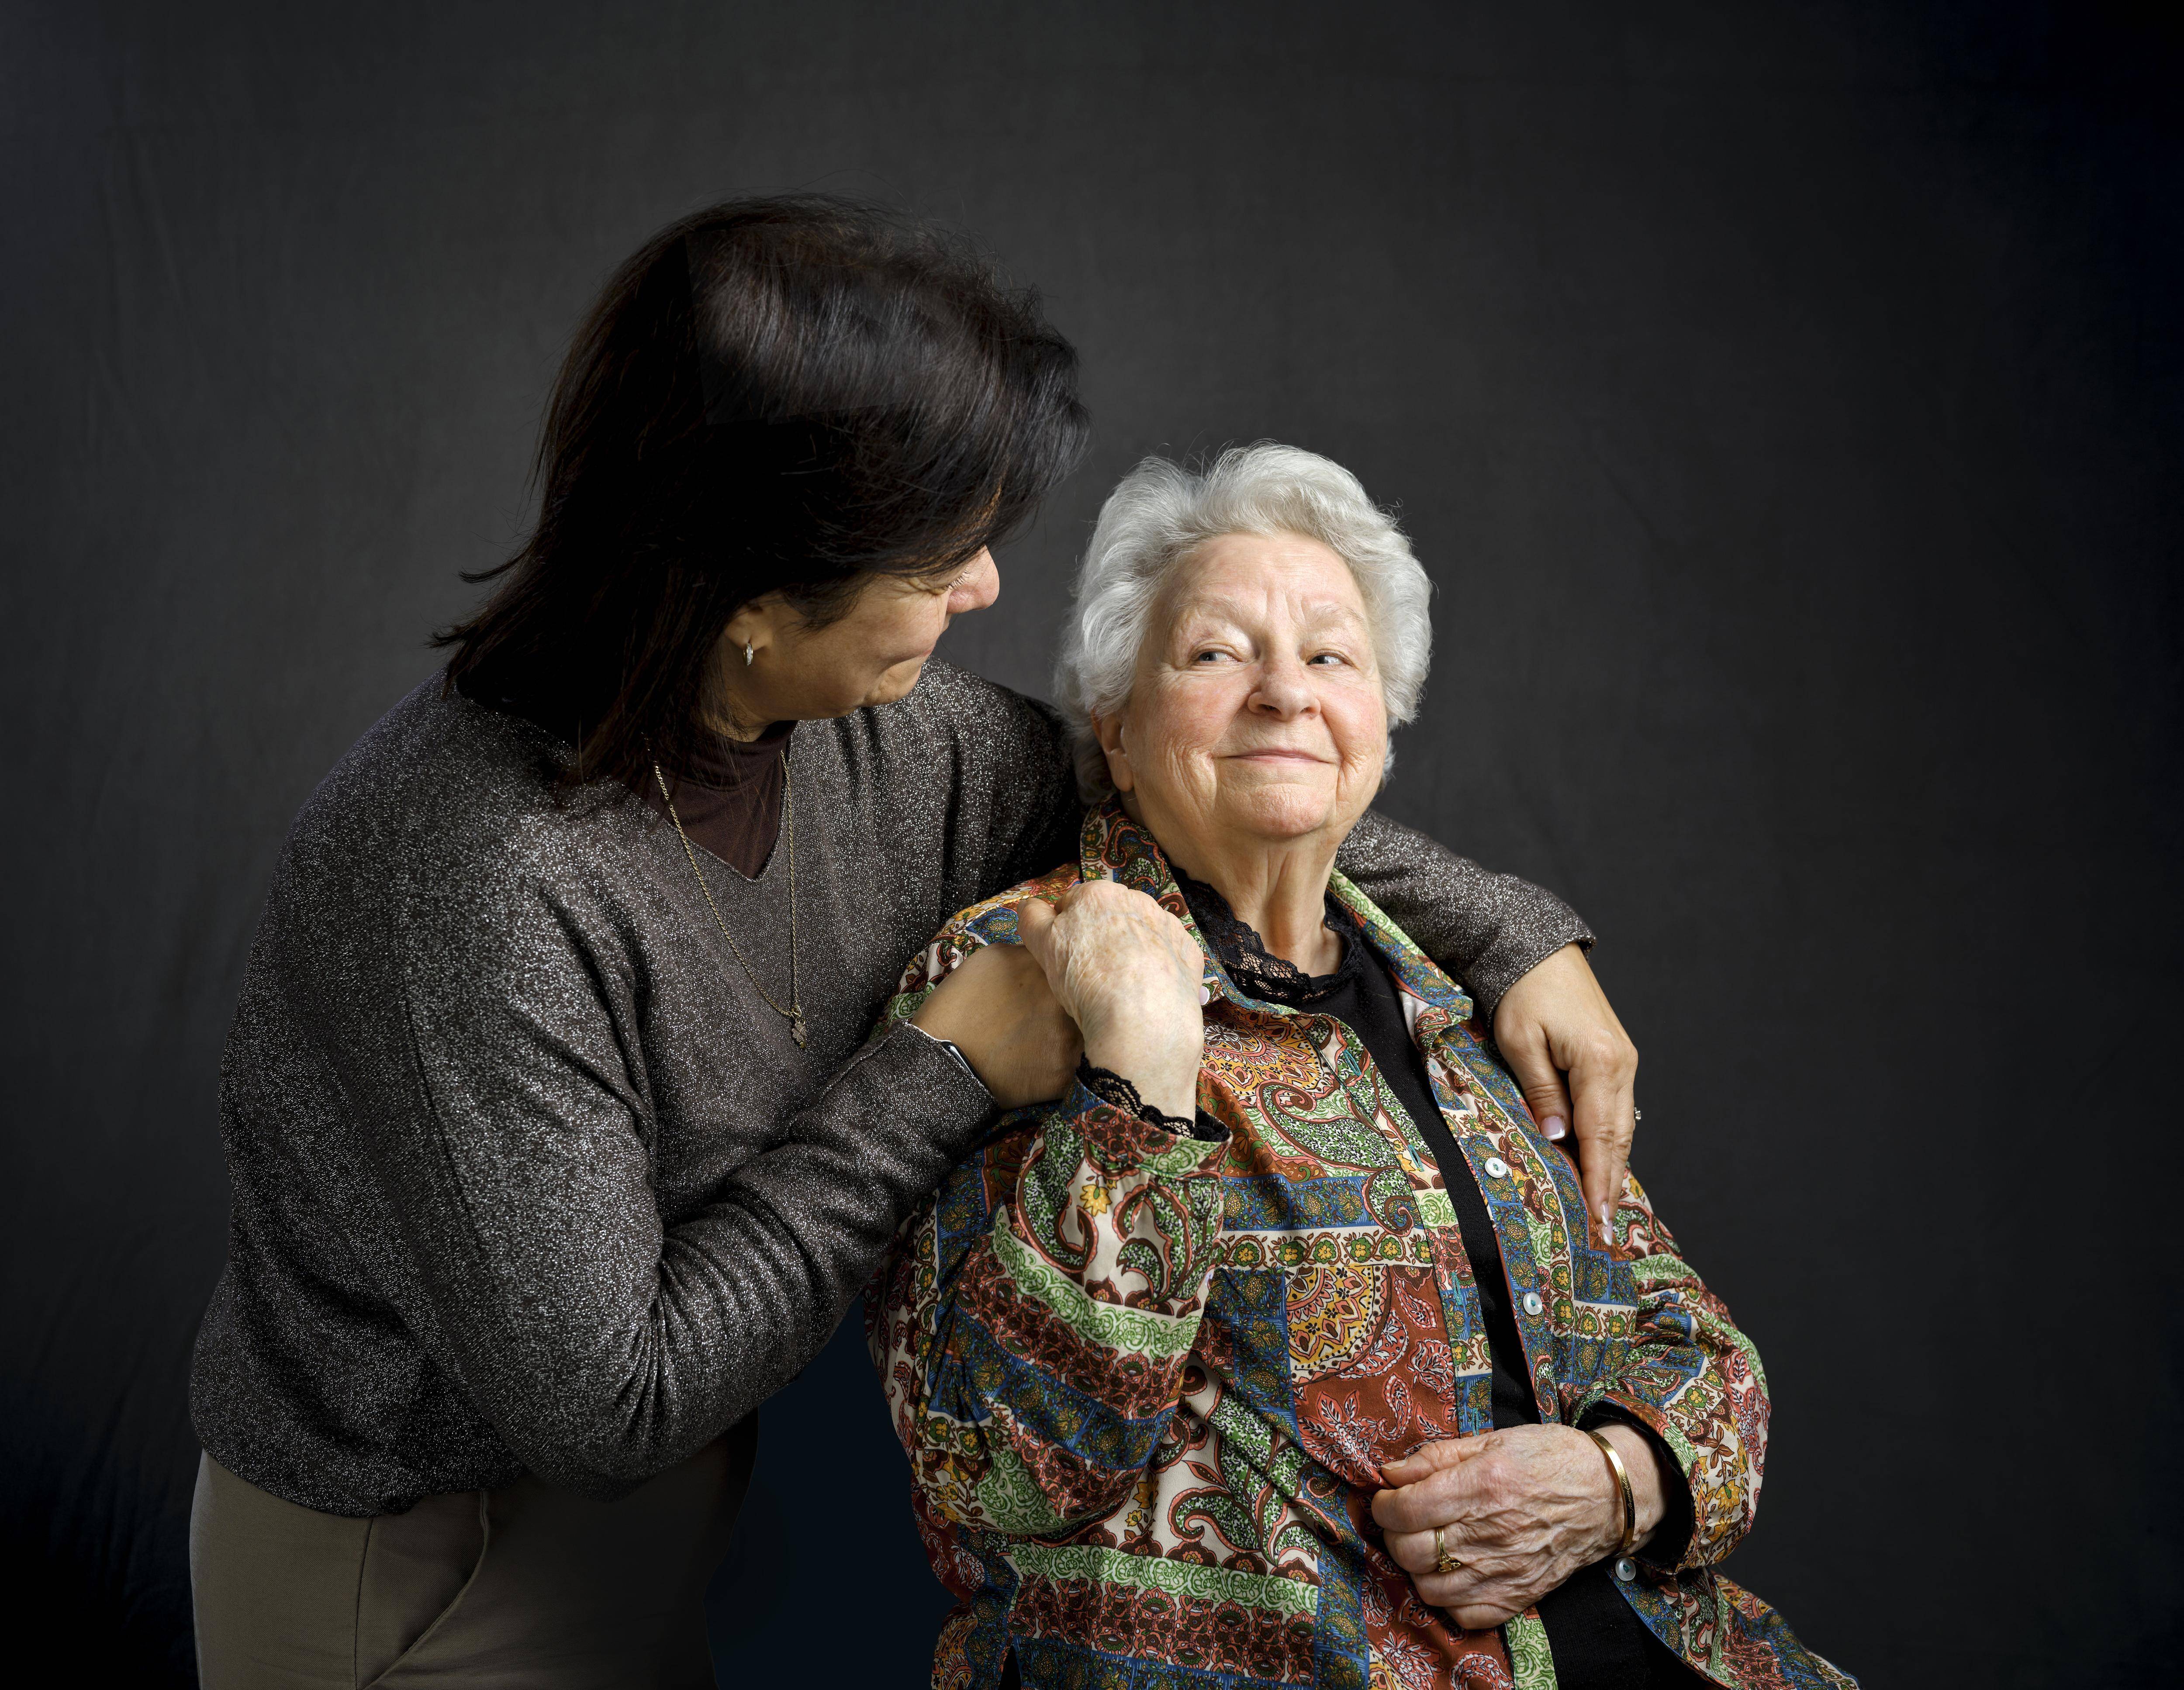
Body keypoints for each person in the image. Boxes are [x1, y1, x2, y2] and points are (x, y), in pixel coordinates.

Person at [186, 201, 1640, 1687]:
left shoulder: (880, 734)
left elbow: (1194, 778)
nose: (988, 590)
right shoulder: (477, 882)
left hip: (693, 1504)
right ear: (751, 600)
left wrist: (1518, 937)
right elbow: (607, 1402)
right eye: (943, 556)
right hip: (426, 1543)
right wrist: (941, 1065)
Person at [869, 444, 1851, 1689]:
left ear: (1380, 727)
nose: (1286, 694)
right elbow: (999, 1471)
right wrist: (1136, 1089)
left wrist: (1618, 1478)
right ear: (1114, 730)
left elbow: (1698, 1349)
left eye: (1331, 657)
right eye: (1218, 654)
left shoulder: (1462, 1006)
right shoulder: (1021, 971)